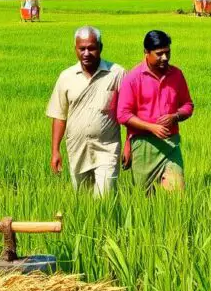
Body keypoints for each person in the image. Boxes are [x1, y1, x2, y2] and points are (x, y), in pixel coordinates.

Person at [46, 26, 126, 196]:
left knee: (104, 198)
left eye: (91, 48)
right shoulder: (66, 77)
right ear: (75, 49)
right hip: (77, 149)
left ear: (100, 48)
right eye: (82, 48)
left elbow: (128, 113)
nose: (86, 53)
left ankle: (107, 224)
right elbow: (59, 116)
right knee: (82, 200)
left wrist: (129, 145)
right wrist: (55, 151)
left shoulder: (116, 74)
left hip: (107, 148)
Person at [117, 30, 194, 193]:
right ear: (146, 52)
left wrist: (175, 116)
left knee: (177, 195)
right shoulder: (133, 78)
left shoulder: (176, 75)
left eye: (167, 53)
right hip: (144, 146)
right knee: (144, 198)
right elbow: (123, 114)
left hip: (170, 144)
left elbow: (188, 105)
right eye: (159, 54)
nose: (165, 58)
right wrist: (151, 127)